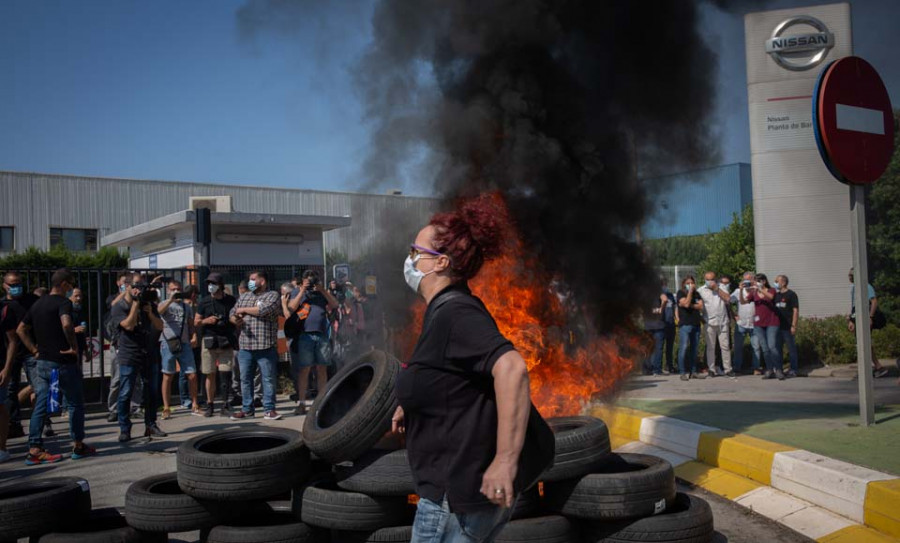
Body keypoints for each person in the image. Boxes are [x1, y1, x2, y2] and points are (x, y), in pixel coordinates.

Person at [392, 197, 535, 543]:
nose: (409, 259)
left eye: (415, 251)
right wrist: (411, 405)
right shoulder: (445, 310)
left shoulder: (455, 313)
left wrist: (505, 461)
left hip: (452, 503)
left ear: (440, 262)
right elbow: (456, 382)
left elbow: (512, 368)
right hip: (457, 497)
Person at [17, 269, 96, 464]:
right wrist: (73, 347)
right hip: (62, 363)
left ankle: (34, 448)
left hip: (42, 362)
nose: (72, 288)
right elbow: (67, 324)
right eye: (71, 284)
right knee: (75, 402)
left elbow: (21, 329)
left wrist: (34, 350)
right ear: (64, 284)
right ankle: (78, 445)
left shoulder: (37, 304)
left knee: (41, 404)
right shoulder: (63, 303)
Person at [110, 275, 167, 442]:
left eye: (141, 286)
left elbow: (160, 326)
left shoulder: (148, 305)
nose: (138, 290)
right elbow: (128, 325)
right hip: (129, 354)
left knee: (151, 391)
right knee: (126, 391)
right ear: (127, 286)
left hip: (148, 352)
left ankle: (151, 424)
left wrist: (150, 314)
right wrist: (135, 305)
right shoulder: (119, 306)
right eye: (135, 286)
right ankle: (124, 428)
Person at [229, 270, 282, 421]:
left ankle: (269, 410)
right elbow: (232, 313)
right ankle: (247, 409)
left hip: (265, 345)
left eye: (253, 279)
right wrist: (235, 319)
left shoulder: (272, 295)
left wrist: (244, 310)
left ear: (262, 281)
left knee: (268, 379)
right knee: (245, 379)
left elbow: (264, 310)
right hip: (245, 346)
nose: (250, 282)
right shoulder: (244, 296)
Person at [286, 270, 339, 415]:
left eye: (312, 281)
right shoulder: (297, 291)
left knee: (322, 369)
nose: (311, 284)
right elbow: (291, 307)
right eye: (308, 281)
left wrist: (322, 290)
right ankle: (302, 404)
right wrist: (303, 289)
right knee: (305, 370)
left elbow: (334, 305)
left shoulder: (321, 292)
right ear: (303, 280)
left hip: (322, 335)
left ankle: (322, 403)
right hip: (304, 336)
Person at [1, 271, 40, 440]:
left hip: (31, 351)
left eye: (18, 283)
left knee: (38, 387)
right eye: (13, 284)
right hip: (11, 354)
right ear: (5, 286)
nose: (17, 287)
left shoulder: (31, 301)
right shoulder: (3, 305)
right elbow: (10, 337)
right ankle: (13, 424)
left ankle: (40, 423)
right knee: (10, 391)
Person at [196, 273, 237, 417]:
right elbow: (196, 321)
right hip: (209, 340)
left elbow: (235, 317)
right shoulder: (204, 302)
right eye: (208, 283)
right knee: (209, 373)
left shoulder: (231, 300)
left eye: (213, 283)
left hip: (226, 340)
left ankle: (225, 403)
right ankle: (210, 404)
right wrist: (206, 321)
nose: (210, 286)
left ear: (220, 285)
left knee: (225, 373)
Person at [158, 280, 200, 418]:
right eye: (173, 289)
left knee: (192, 374)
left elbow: (190, 324)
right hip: (168, 343)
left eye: (178, 289)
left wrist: (193, 336)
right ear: (168, 290)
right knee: (168, 375)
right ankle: (166, 407)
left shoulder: (186, 306)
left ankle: (194, 404)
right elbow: (159, 312)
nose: (176, 291)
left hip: (184, 343)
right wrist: (170, 300)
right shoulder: (164, 304)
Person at [106, 272, 143, 422]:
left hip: (137, 348)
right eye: (134, 285)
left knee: (137, 381)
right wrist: (126, 294)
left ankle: (135, 407)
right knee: (117, 380)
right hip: (119, 345)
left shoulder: (140, 302)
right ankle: (114, 409)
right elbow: (114, 306)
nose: (137, 289)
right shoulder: (116, 301)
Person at [848, 267, 889, 378]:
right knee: (862, 343)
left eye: (851, 275)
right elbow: (855, 306)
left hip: (865, 318)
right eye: (849, 275)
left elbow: (874, 301)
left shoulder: (866, 286)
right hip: (858, 318)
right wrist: (851, 320)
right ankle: (875, 367)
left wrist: (870, 316)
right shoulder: (854, 288)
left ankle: (876, 367)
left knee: (864, 343)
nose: (849, 277)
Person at [741, 273, 784, 380]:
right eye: (755, 281)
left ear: (764, 281)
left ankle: (778, 369)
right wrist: (741, 291)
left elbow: (771, 297)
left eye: (758, 280)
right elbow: (743, 302)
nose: (755, 282)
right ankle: (769, 370)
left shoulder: (771, 290)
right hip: (759, 324)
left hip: (772, 323)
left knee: (772, 347)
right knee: (765, 348)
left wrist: (760, 289)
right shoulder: (754, 292)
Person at [698, 272, 734, 378]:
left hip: (723, 321)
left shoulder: (722, 287)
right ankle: (711, 369)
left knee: (725, 346)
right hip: (709, 322)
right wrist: (702, 319)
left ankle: (728, 369)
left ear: (716, 279)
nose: (710, 282)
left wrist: (717, 289)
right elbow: (699, 306)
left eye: (712, 279)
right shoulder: (701, 290)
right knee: (710, 347)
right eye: (707, 279)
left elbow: (728, 299)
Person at [732, 272, 762, 375]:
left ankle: (756, 368)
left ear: (753, 279)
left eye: (749, 279)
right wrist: (734, 314)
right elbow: (728, 301)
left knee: (756, 347)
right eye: (745, 280)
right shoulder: (737, 291)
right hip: (741, 323)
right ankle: (737, 367)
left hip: (755, 323)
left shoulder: (757, 290)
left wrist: (756, 286)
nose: (747, 282)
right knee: (738, 347)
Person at [676, 276, 704, 381]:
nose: (690, 285)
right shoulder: (680, 293)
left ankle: (693, 371)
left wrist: (690, 304)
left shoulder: (697, 294)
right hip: (685, 324)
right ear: (684, 284)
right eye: (688, 283)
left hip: (696, 323)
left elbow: (701, 306)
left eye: (692, 283)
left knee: (694, 349)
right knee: (683, 348)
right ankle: (682, 372)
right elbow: (686, 304)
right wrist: (690, 294)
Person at [774, 275, 800, 377]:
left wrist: (793, 325)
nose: (775, 283)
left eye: (777, 281)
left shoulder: (791, 295)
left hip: (787, 326)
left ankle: (793, 369)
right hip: (777, 327)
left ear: (783, 283)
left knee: (791, 349)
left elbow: (795, 310)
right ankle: (779, 369)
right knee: (777, 349)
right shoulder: (776, 295)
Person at [643, 278, 668, 376]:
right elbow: (665, 299)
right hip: (658, 324)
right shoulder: (658, 291)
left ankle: (646, 370)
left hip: (647, 324)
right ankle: (656, 370)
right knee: (658, 348)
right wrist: (661, 309)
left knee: (647, 348)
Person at [660, 278, 677, 375]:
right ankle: (658, 366)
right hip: (662, 323)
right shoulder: (658, 295)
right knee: (660, 346)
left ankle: (669, 365)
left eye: (665, 284)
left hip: (671, 323)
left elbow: (674, 308)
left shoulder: (670, 295)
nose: (664, 286)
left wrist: (676, 319)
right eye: (662, 284)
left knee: (670, 347)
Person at [69, 288, 88, 365]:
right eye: (76, 296)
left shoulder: (80, 311)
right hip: (68, 348)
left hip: (78, 347)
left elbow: (82, 334)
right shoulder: (65, 311)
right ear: (69, 297)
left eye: (80, 296)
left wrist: (86, 350)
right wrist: (73, 330)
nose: (79, 298)